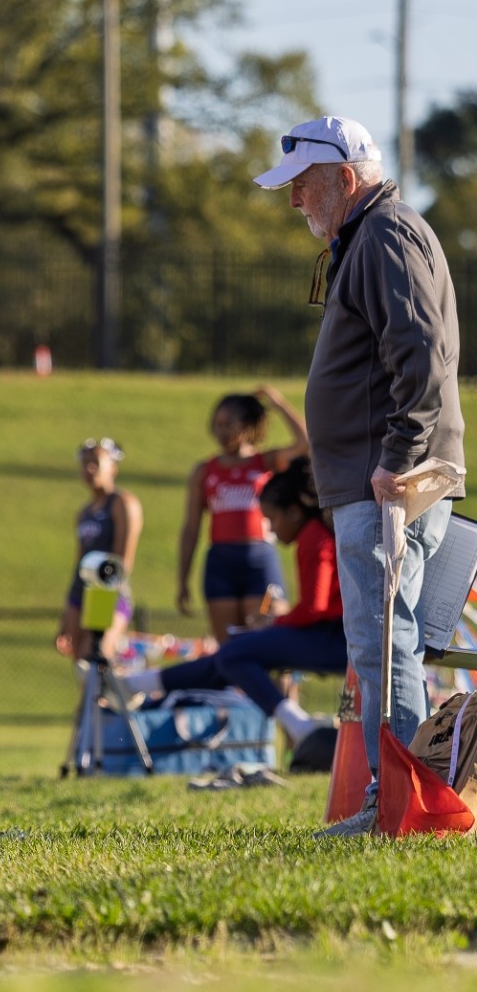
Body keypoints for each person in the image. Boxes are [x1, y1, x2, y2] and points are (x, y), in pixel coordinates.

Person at [255, 116, 465, 836]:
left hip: (388, 482)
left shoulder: (383, 234)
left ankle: (399, 807)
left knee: (383, 644)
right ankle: (408, 799)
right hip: (385, 478)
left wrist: (395, 458)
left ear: (346, 178)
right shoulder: (378, 233)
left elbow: (422, 355)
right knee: (388, 640)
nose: (294, 201)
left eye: (303, 185)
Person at [117, 458, 344, 760]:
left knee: (235, 653)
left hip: (335, 638)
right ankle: (132, 684)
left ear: (293, 511)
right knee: (231, 655)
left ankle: (301, 727)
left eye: (272, 519)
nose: (270, 529)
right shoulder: (318, 532)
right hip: (334, 635)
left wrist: (276, 622)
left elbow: (314, 609)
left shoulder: (313, 537)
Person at [174, 386, 309, 644]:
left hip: (259, 560)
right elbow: (191, 528)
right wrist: (182, 579)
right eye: (217, 425)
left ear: (247, 425)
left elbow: (304, 444)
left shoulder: (265, 462)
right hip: (221, 563)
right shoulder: (205, 471)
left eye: (228, 424)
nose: (221, 432)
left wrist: (277, 402)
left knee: (267, 641)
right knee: (229, 648)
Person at [57, 438, 141, 661]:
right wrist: (66, 616)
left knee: (96, 658)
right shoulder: (84, 513)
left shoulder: (122, 503)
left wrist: (102, 608)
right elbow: (79, 562)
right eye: (85, 463)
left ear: (113, 467)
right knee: (80, 665)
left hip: (107, 594)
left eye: (95, 462)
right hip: (81, 593)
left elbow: (122, 562)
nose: (89, 468)